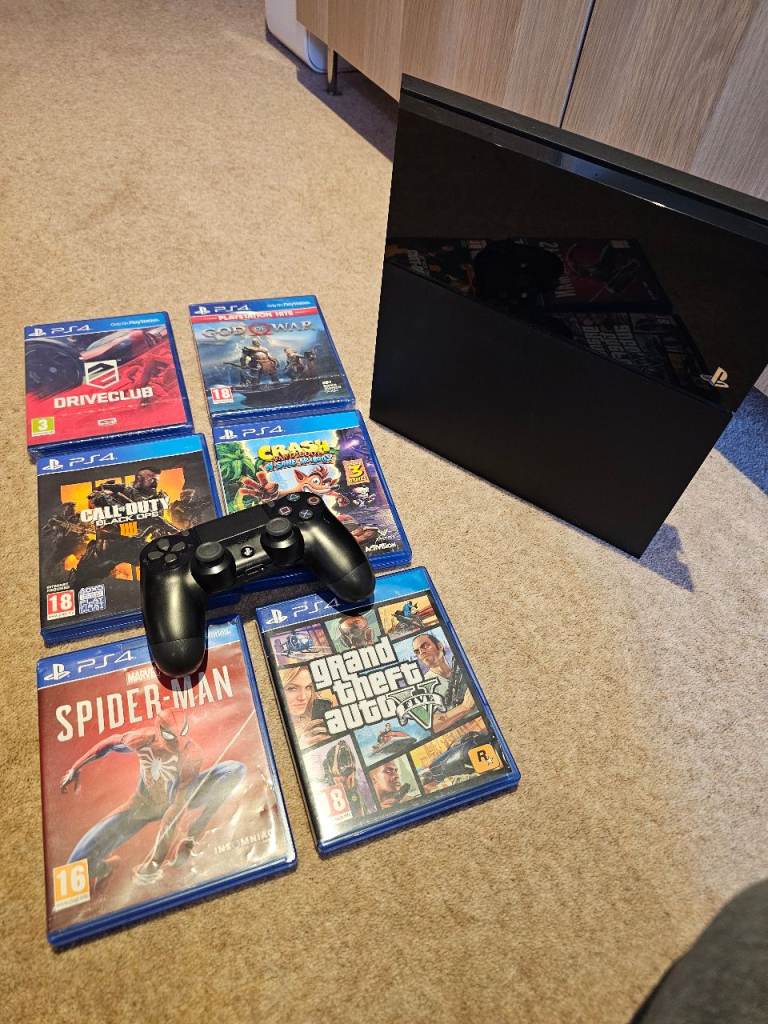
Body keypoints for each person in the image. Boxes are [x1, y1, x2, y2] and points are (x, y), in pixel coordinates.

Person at [412, 633, 476, 731]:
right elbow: (431, 725)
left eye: (425, 646)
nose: (421, 652)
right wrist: (464, 707)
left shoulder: (461, 666)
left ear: (440, 646)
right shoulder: (423, 686)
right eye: (417, 651)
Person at [279, 665, 332, 748]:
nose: (303, 697)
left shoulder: (316, 718)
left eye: (308, 687)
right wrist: (302, 746)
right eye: (292, 688)